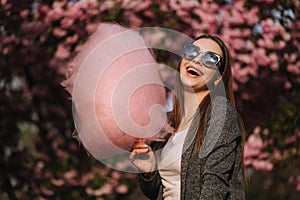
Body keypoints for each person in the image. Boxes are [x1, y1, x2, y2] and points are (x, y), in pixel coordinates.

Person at [129, 34, 247, 199]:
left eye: (211, 58)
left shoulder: (220, 114)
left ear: (217, 78)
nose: (197, 60)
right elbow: (162, 192)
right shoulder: (168, 123)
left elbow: (215, 188)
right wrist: (149, 171)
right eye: (192, 52)